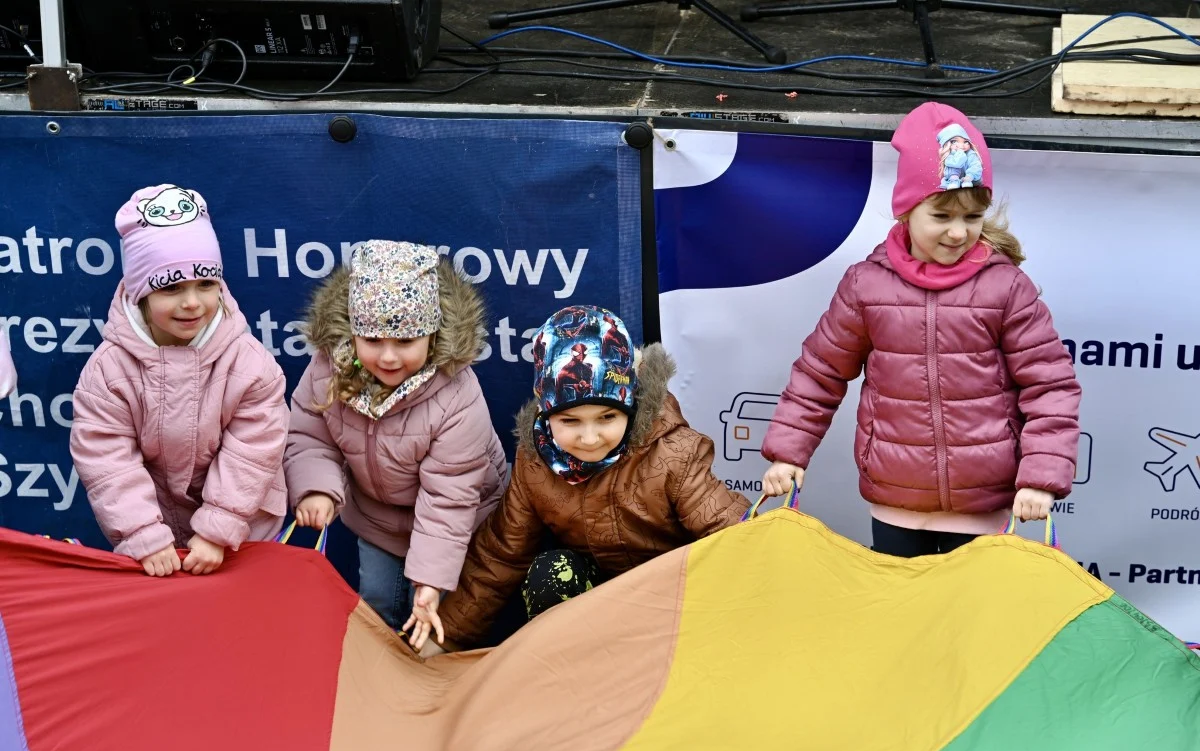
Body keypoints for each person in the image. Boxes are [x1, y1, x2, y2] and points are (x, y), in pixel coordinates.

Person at [761, 102, 1081, 557]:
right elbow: (820, 373)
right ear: (906, 211)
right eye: (942, 216)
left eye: (972, 217)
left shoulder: (1006, 287)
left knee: (967, 605)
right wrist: (788, 453)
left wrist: (1041, 477)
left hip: (983, 507)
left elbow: (1050, 385)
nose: (959, 233)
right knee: (899, 601)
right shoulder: (865, 285)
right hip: (896, 502)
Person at [427, 305, 750, 655]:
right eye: (570, 421)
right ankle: (574, 673)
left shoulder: (673, 453)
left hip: (673, 603)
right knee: (552, 572)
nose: (591, 438)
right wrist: (445, 638)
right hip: (598, 606)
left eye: (607, 417)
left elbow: (732, 535)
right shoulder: (536, 463)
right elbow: (501, 556)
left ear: (631, 405)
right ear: (545, 412)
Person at [284, 240, 508, 650]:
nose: (387, 357)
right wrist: (317, 487)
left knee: (440, 621)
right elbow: (310, 435)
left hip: (461, 523)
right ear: (353, 332)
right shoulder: (328, 371)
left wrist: (430, 581)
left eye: (405, 342)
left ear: (431, 336)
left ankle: (436, 676)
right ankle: (380, 678)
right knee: (377, 607)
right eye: (372, 339)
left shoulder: (457, 395)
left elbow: (449, 496)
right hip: (378, 517)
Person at [71, 184, 288, 576]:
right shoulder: (109, 370)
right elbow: (106, 458)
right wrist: (142, 533)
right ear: (140, 293)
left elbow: (253, 452)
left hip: (243, 530)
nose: (191, 302)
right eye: (171, 287)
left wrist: (218, 528)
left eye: (206, 284)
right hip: (156, 539)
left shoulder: (249, 363)